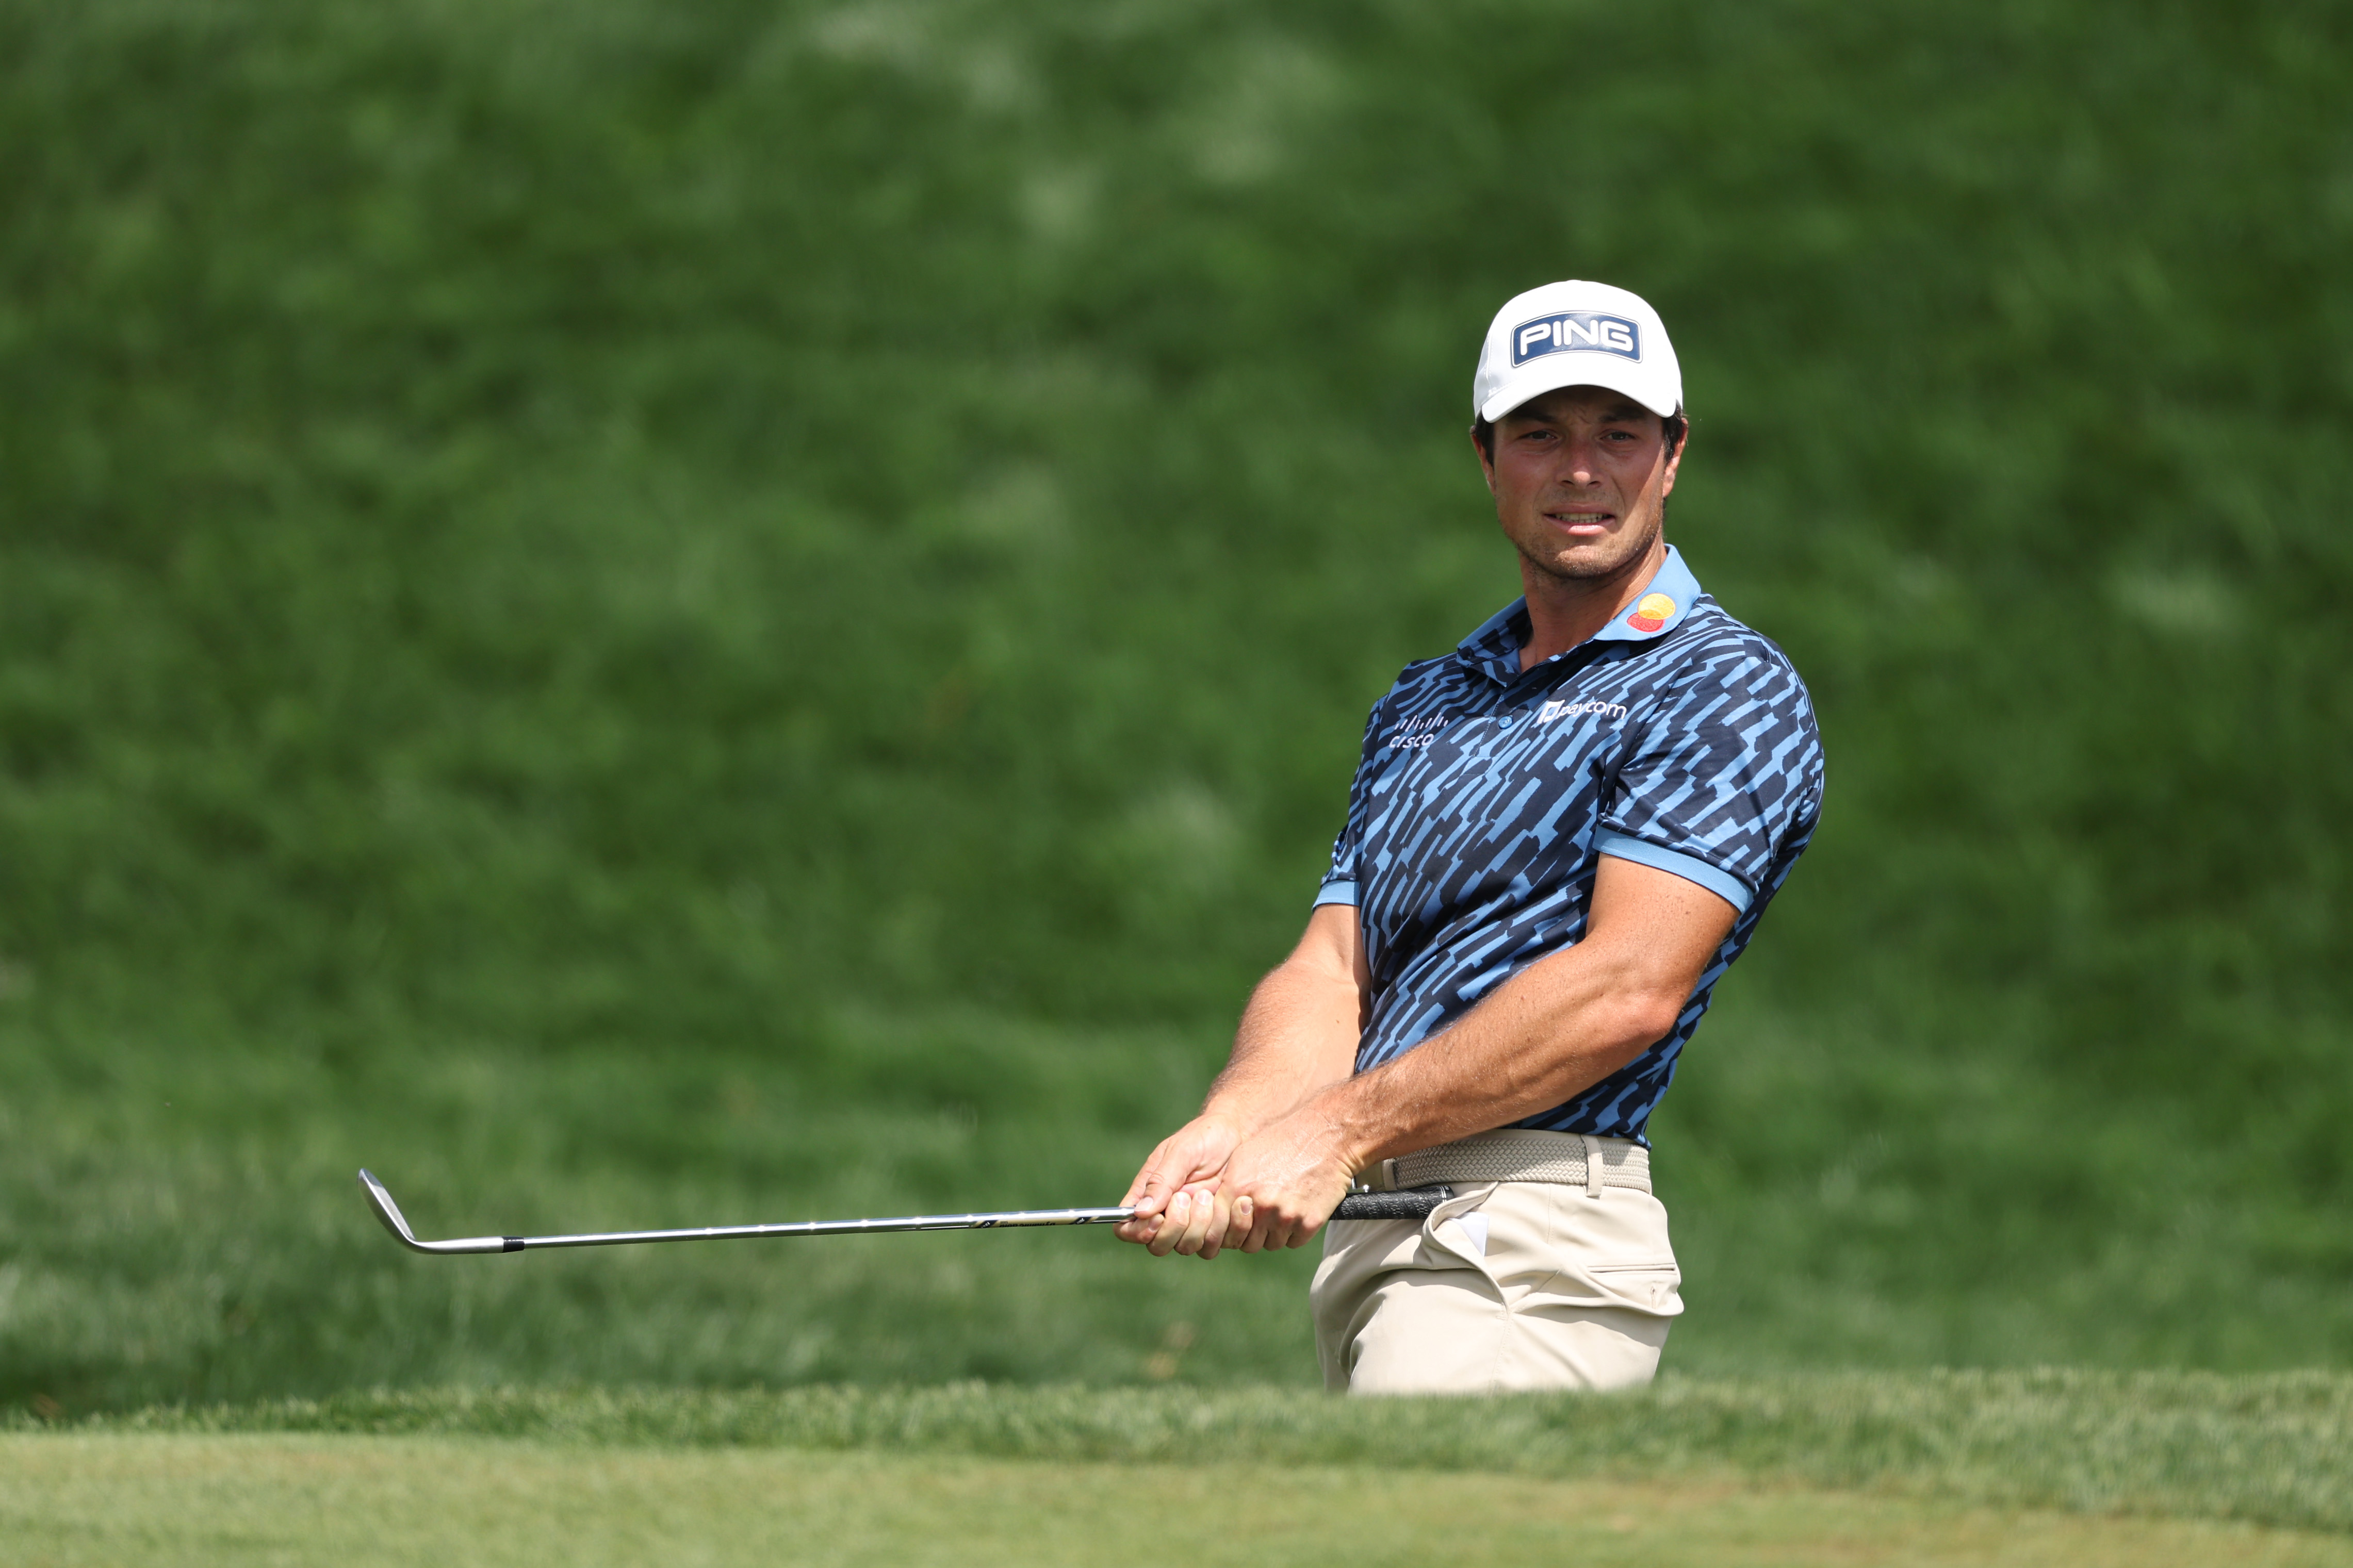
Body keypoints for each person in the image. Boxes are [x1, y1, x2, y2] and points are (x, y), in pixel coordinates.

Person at [1113, 279, 1825, 1394]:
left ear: (1674, 453)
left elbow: (1625, 987)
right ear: (1487, 456)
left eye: (1618, 434)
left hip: (1529, 1240)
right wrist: (1241, 1120)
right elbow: (1335, 967)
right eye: (1541, 434)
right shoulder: (1430, 701)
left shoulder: (1720, 686)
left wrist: (1335, 1132)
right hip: (1381, 1232)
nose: (1581, 470)